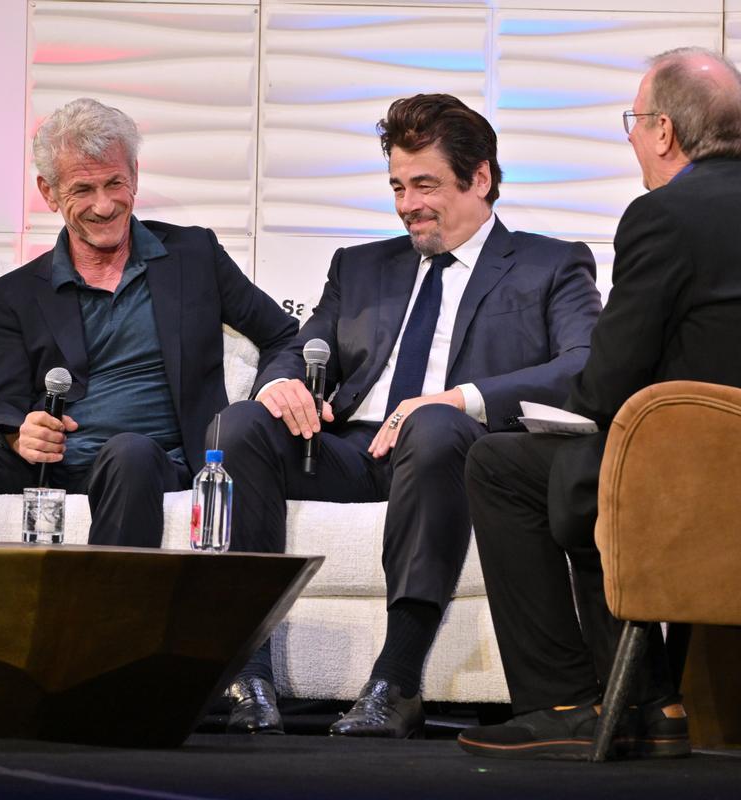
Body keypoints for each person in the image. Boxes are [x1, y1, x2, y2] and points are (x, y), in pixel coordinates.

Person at [214, 94, 603, 735]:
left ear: (480, 178)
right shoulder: (360, 265)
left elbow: (581, 366)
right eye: (397, 185)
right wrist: (281, 384)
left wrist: (458, 398)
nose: (407, 204)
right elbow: (304, 347)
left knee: (434, 424)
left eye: (425, 184)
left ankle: (395, 679)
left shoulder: (550, 263)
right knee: (241, 426)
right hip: (353, 450)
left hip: (453, 450)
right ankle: (247, 680)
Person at [460, 46, 741, 760]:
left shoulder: (666, 215)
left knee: (503, 463)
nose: (632, 138)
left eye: (633, 121)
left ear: (664, 132)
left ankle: (568, 700)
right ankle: (656, 701)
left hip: (695, 480)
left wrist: (574, 406)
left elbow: (608, 380)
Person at [0, 97, 297, 547]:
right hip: (46, 464)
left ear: (135, 176)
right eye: (82, 190)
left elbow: (282, 335)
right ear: (48, 193)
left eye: (114, 183)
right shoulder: (13, 295)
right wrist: (18, 434)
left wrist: (276, 386)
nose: (103, 206)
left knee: (129, 450)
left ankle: (109, 616)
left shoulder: (194, 256)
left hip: (149, 460)